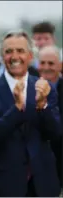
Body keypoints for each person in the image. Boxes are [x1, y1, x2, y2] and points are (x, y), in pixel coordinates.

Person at [0, 30, 62, 197]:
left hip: (43, 185)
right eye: (9, 51)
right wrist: (16, 109)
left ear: (30, 56)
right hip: (2, 185)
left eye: (20, 51)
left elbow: (55, 132)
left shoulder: (45, 88)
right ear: (2, 56)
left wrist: (42, 105)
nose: (14, 56)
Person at [38, 45, 63, 190]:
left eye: (51, 63)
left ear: (60, 66)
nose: (46, 67)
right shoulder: (27, 87)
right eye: (42, 63)